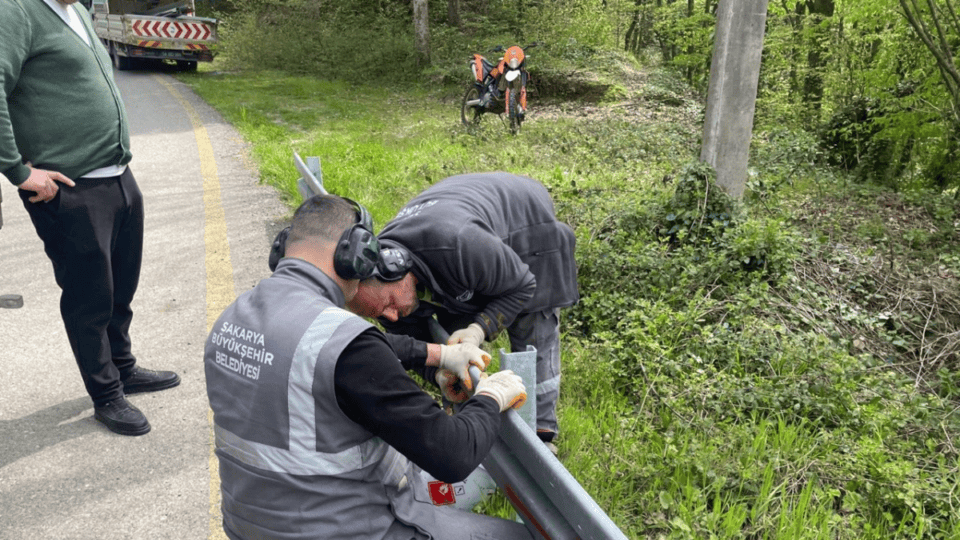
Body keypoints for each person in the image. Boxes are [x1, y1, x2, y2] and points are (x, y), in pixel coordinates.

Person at [205, 194, 533, 540]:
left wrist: (438, 355)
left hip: (250, 526)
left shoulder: (232, 319)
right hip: (343, 529)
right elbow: (452, 454)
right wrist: (489, 398)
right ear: (354, 255)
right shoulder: (349, 349)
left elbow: (332, 350)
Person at [0, 0, 180, 436]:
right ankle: (105, 394)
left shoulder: (75, 10)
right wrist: (19, 171)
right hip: (70, 187)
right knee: (89, 297)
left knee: (121, 287)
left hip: (118, 176)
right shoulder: (17, 11)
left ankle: (123, 368)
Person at [347, 172, 578, 452]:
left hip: (526, 225)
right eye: (379, 315)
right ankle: (479, 427)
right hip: (462, 241)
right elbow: (419, 346)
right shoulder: (385, 283)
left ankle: (541, 437)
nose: (392, 318)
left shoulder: (456, 243)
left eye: (390, 305)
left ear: (396, 268)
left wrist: (477, 329)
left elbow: (521, 286)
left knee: (532, 331)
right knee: (451, 333)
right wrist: (439, 375)